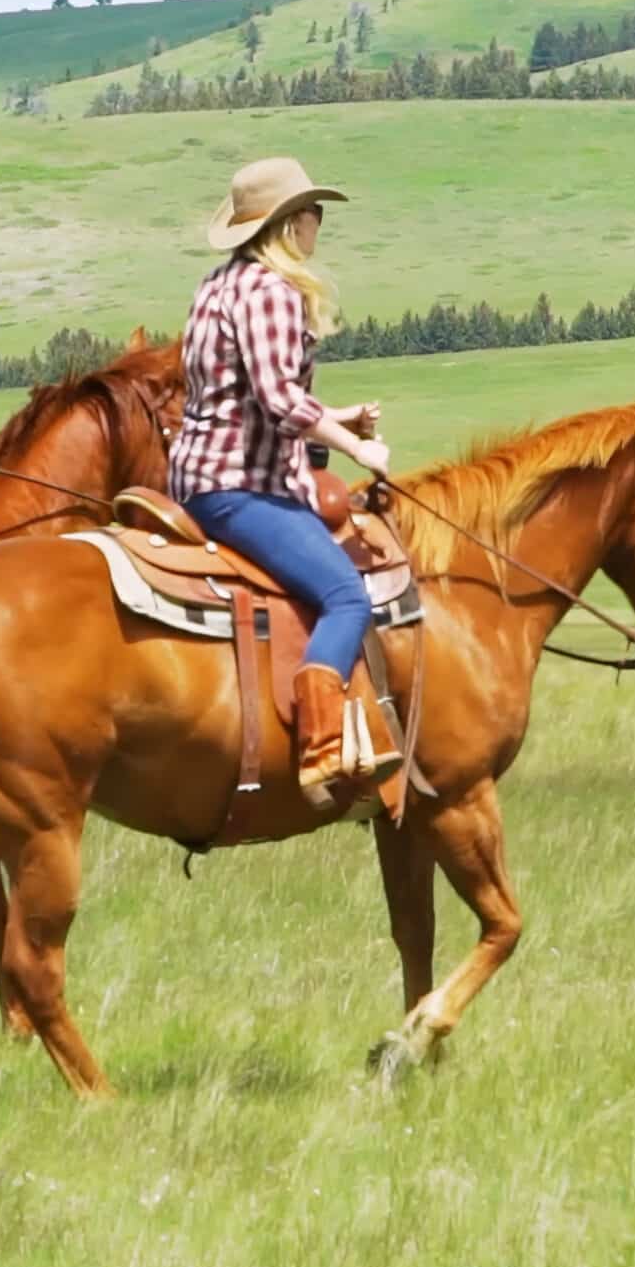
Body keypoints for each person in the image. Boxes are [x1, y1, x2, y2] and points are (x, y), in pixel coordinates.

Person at [170, 157, 401, 811]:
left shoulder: (218, 285)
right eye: (314, 213)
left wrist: (335, 416)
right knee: (346, 597)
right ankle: (322, 743)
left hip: (197, 475)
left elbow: (244, 394)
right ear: (287, 223)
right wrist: (357, 444)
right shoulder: (272, 291)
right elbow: (276, 400)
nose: (318, 224)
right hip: (240, 484)